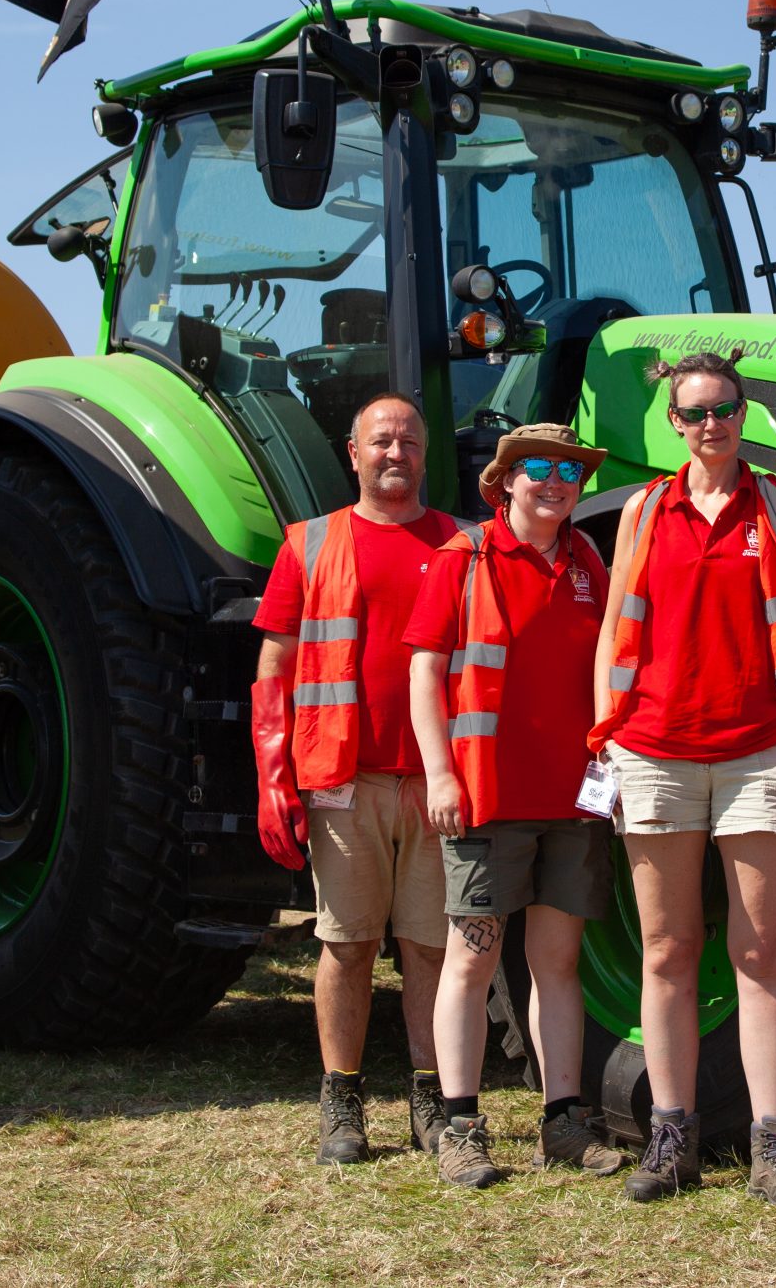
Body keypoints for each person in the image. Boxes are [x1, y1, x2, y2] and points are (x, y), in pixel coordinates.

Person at [590, 350, 776, 1207]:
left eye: (725, 409)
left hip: (760, 754)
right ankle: (672, 1140)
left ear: (744, 415)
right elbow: (613, 635)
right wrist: (607, 737)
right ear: (673, 424)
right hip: (656, 750)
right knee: (667, 949)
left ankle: (775, 1146)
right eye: (696, 412)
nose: (712, 424)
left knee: (759, 950)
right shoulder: (641, 510)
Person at [405, 423, 626, 1188]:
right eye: (538, 467)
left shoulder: (589, 561)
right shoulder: (461, 560)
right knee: (473, 958)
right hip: (485, 798)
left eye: (569, 468)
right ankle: (460, 1124)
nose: (555, 480)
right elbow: (425, 674)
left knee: (557, 964)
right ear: (504, 481)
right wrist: (440, 774)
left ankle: (563, 1119)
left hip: (570, 799)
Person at [250, 393, 458, 1163]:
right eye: (381, 440)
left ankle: (432, 1099)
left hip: (436, 784)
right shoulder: (308, 544)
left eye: (408, 439)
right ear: (354, 453)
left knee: (431, 947)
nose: (394, 451)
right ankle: (342, 1100)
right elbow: (274, 665)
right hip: (345, 778)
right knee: (348, 944)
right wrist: (274, 774)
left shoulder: (462, 544)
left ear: (424, 453)